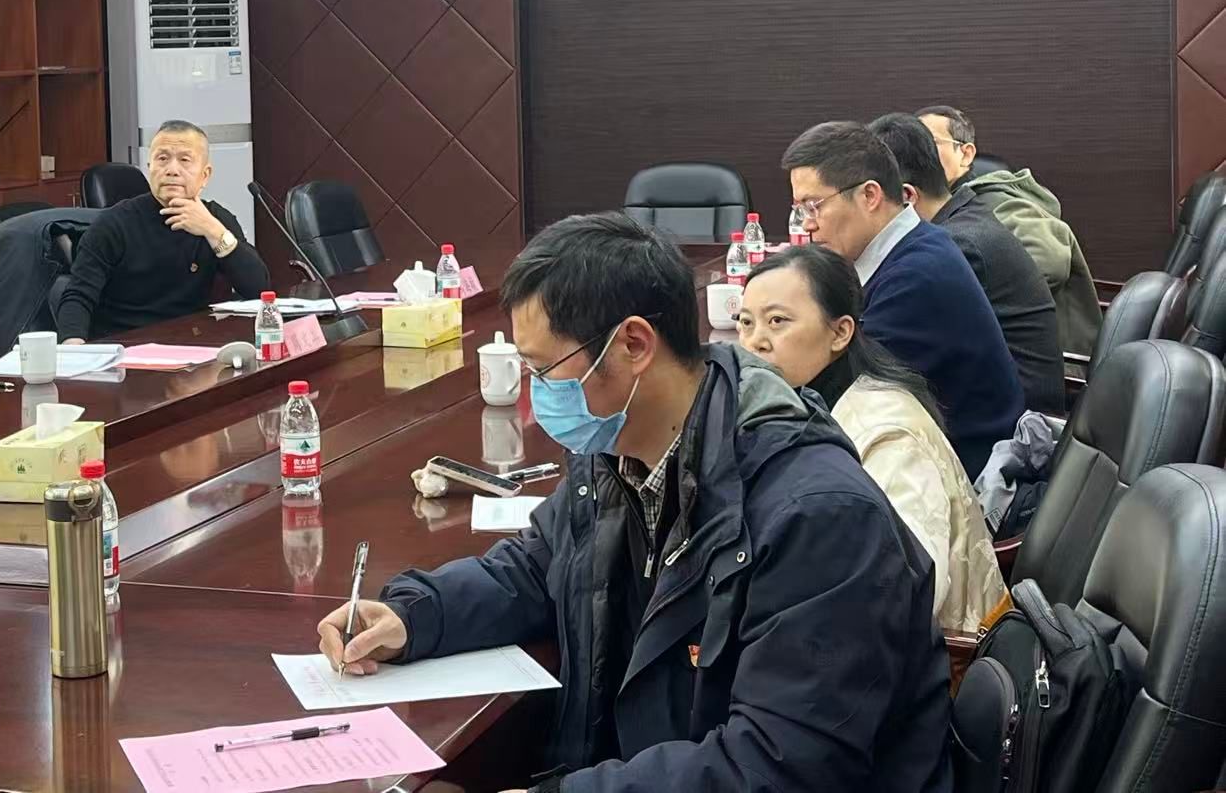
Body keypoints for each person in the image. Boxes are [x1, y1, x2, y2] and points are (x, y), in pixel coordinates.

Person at [316, 212, 951, 793]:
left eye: (544, 370)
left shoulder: (817, 515)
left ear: (634, 345)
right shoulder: (615, 450)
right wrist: (415, 617)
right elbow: (539, 567)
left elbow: (778, 766)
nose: (536, 393)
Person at [738, 245, 1011, 633]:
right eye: (746, 323)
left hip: (944, 657)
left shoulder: (888, 434)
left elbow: (905, 596)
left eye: (777, 321)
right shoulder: (802, 405)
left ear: (840, 332)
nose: (755, 342)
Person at [783, 120, 1022, 476]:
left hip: (961, 476)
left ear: (870, 196)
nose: (807, 224)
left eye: (813, 205)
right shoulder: (913, 246)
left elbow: (837, 396)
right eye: (800, 210)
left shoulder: (916, 277)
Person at [870, 112, 1065, 414]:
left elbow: (882, 350)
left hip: (1019, 424)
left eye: (869, 197)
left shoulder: (954, 246)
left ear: (906, 196)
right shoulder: (964, 216)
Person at [56, 120, 269, 342]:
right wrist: (74, 347)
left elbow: (258, 289)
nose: (172, 170)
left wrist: (212, 231)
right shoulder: (114, 223)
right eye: (162, 159)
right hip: (126, 346)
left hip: (192, 345)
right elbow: (78, 295)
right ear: (150, 168)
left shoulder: (216, 220)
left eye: (184, 160)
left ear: (205, 175)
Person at [919, 104, 1103, 357]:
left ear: (966, 154)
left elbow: (1052, 260)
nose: (916, 156)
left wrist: (965, 300)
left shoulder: (997, 202)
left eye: (928, 144)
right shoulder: (935, 206)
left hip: (1055, 362)